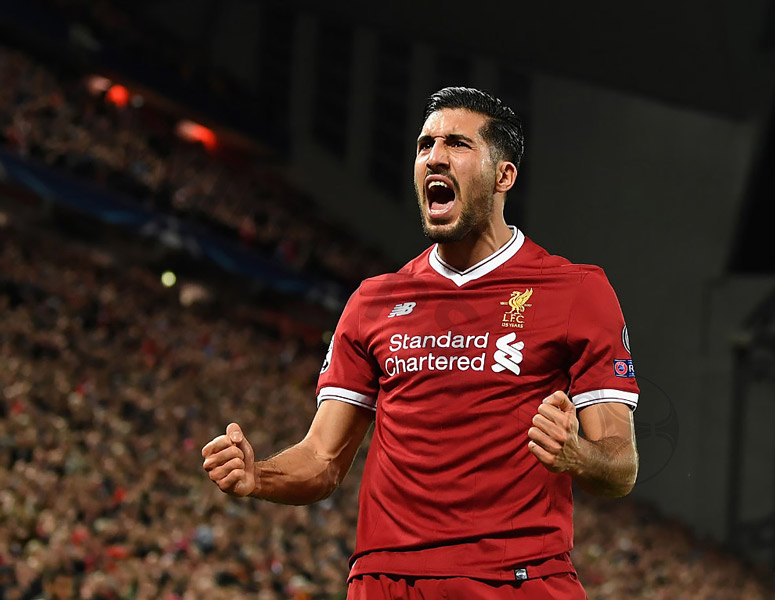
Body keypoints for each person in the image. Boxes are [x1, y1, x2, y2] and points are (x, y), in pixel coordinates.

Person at [202, 86, 639, 599]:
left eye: (457, 143)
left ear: (504, 176)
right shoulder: (373, 301)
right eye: (424, 144)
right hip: (385, 582)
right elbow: (322, 460)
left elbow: (621, 467)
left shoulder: (575, 291)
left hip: (513, 579)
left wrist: (577, 455)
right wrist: (259, 476)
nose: (434, 156)